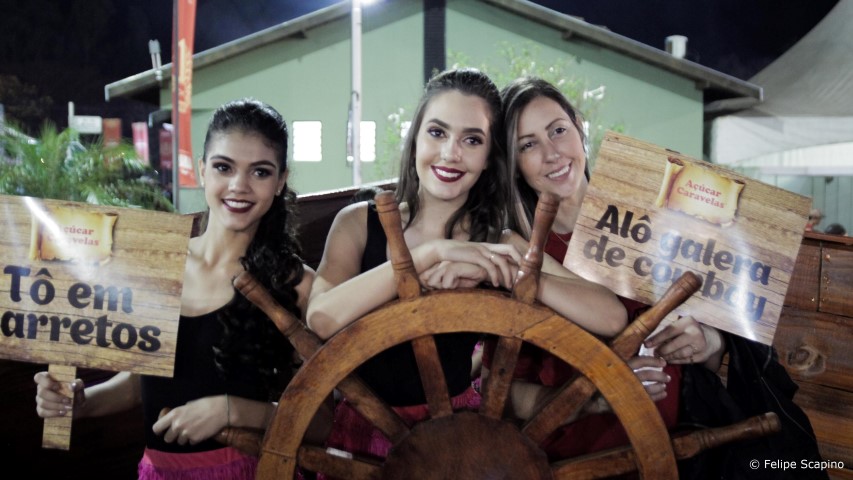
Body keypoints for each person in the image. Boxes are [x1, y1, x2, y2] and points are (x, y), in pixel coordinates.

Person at [494, 76, 826, 479]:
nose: (552, 154)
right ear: (513, 163)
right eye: (528, 145)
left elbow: (723, 347)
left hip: (688, 437)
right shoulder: (519, 252)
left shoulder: (656, 212)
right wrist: (596, 393)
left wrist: (708, 342)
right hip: (581, 456)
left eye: (558, 130)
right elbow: (502, 386)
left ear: (580, 129)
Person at [306, 68, 627, 466]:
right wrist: (429, 254)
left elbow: (611, 316)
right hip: (361, 444)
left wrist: (514, 274)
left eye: (472, 140)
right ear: (415, 138)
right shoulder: (358, 223)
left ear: (490, 158)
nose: (451, 153)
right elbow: (321, 318)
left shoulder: (496, 243)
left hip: (461, 445)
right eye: (437, 133)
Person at [34, 98, 323, 480]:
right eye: (223, 167)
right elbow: (139, 386)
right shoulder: (158, 263)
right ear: (202, 169)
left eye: (260, 172)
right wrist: (80, 401)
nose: (239, 186)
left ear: (281, 180)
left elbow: (323, 424)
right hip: (158, 472)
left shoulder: (296, 283)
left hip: (252, 471)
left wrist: (232, 411)